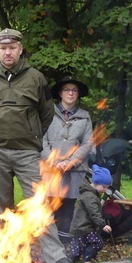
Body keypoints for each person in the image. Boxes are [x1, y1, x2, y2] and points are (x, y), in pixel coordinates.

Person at [0, 27, 83, 263]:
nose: (8, 52)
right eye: (3, 48)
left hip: (26, 153)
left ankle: (56, 259)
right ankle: (4, 257)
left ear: (20, 49)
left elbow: (46, 115)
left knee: (39, 205)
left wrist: (31, 136)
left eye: (12, 47)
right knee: (1, 208)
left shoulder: (36, 78)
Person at [42, 75, 94, 244]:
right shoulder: (48, 113)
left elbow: (87, 143)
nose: (70, 93)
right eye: (67, 90)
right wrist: (53, 162)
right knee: (49, 206)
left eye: (74, 90)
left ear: (78, 94)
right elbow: (40, 139)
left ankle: (65, 246)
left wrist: (70, 162)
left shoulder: (85, 117)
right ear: (60, 93)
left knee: (68, 208)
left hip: (74, 170)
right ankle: (47, 245)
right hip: (50, 169)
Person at [68, 164, 113, 263]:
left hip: (85, 227)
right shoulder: (89, 196)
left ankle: (84, 259)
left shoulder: (92, 194)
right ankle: (81, 260)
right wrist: (103, 225)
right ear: (96, 183)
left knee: (90, 244)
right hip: (82, 227)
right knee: (85, 246)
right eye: (104, 187)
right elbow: (94, 213)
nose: (105, 190)